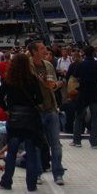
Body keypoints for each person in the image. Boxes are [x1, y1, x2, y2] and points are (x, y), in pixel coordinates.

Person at [0, 53, 43, 192]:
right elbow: (39, 99)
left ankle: (6, 182)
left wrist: (7, 109)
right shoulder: (32, 79)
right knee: (31, 152)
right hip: (30, 120)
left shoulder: (9, 79)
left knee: (11, 152)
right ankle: (31, 185)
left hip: (14, 118)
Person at [28, 40, 65, 185]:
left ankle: (58, 173)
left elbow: (53, 85)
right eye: (42, 48)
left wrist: (55, 85)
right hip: (36, 110)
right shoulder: (27, 66)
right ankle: (37, 173)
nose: (45, 50)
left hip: (51, 109)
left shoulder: (49, 65)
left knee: (55, 144)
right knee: (36, 144)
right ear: (34, 52)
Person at [71, 46, 97, 149]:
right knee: (95, 118)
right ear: (94, 53)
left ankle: (77, 141)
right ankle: (94, 142)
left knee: (78, 117)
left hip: (83, 93)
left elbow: (75, 77)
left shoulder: (80, 65)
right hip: (95, 93)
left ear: (84, 53)